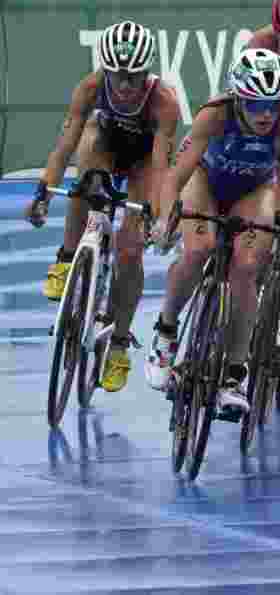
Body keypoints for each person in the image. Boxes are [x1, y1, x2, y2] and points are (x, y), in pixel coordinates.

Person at [147, 48, 280, 418]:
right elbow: (175, 177)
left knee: (247, 267)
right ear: (238, 98)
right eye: (256, 105)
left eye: (273, 103)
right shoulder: (214, 114)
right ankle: (165, 333)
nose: (266, 114)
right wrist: (163, 218)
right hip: (206, 182)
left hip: (254, 191)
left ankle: (234, 376)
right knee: (198, 248)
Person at [26, 20, 179, 392]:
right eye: (118, 76)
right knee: (86, 175)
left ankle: (120, 342)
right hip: (106, 146)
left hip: (144, 162)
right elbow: (65, 144)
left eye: (134, 77)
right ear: (106, 69)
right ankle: (66, 258)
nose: (125, 86)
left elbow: (161, 168)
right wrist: (44, 191)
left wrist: (156, 218)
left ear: (147, 72)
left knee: (130, 249)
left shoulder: (164, 101)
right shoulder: (92, 87)